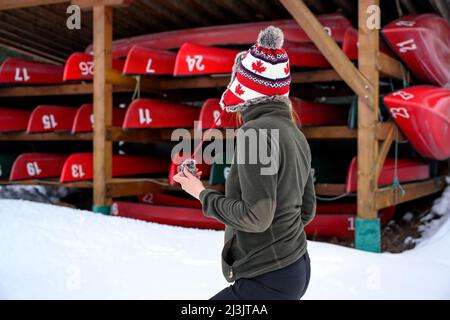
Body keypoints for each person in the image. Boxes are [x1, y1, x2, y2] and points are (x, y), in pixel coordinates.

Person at [173, 26, 316, 300]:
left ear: (244, 90)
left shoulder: (255, 134)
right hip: (296, 268)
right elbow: (306, 211)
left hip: (268, 278)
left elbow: (256, 217)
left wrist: (200, 194)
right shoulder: (294, 132)